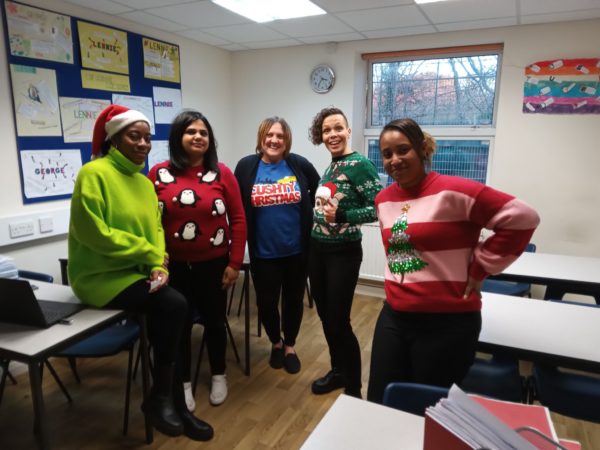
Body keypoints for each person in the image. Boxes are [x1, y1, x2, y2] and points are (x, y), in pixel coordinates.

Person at [367, 118, 540, 404]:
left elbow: (523, 217)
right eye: (387, 154)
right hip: (395, 317)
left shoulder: (455, 191)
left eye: (403, 150)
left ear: (423, 149)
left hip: (447, 323)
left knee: (431, 408)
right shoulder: (383, 199)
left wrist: (481, 265)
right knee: (382, 401)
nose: (395, 160)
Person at [68, 104, 213, 441]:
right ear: (113, 139)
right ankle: (162, 398)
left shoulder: (144, 183)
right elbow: (94, 233)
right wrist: (151, 255)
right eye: (135, 136)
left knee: (174, 317)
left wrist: (157, 265)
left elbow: (155, 230)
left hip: (136, 274)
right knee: (175, 307)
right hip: (100, 279)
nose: (144, 144)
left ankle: (174, 404)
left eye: (148, 138)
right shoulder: (94, 173)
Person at [148, 110, 246, 409]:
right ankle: (184, 382)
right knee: (180, 326)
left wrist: (234, 263)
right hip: (172, 267)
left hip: (214, 264)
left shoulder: (223, 173)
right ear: (178, 138)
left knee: (215, 323)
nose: (198, 137)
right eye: (191, 131)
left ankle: (219, 374)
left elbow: (239, 219)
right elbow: (149, 220)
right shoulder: (157, 174)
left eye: (203, 132)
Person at [307, 107, 383, 398]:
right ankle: (338, 370)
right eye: (327, 130)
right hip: (318, 250)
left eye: (338, 128)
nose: (332, 134)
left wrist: (343, 216)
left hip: (343, 254)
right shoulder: (332, 165)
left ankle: (353, 387)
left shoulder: (359, 164)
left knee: (339, 321)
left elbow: (379, 207)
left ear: (348, 131)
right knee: (326, 318)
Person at [235, 116, 320, 374]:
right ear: (261, 138)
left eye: (280, 136)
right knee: (267, 304)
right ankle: (276, 342)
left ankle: (290, 346)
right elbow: (237, 205)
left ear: (286, 141)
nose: (274, 140)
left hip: (296, 251)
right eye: (269, 135)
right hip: (263, 253)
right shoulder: (246, 167)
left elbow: (319, 189)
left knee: (293, 301)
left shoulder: (298, 164)